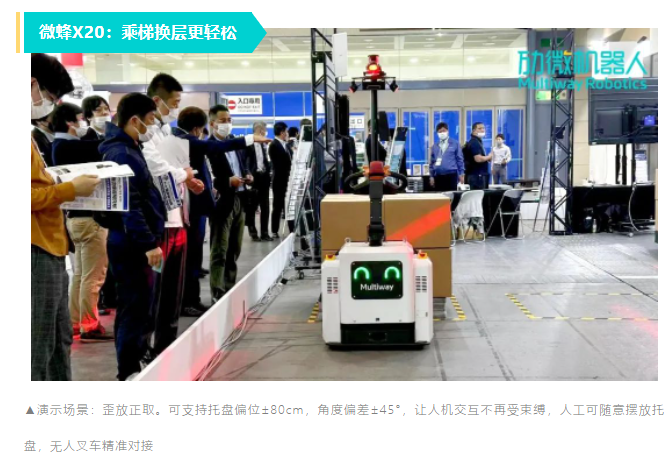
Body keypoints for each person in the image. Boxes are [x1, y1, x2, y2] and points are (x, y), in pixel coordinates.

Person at [31, 53, 101, 381]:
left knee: (58, 340)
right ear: (32, 84)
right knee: (38, 345)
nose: (51, 105)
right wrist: (69, 189)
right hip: (36, 248)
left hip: (52, 245)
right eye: (50, 96)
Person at [98, 93, 166, 381]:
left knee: (141, 306)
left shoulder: (130, 148)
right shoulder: (121, 154)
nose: (153, 126)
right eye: (150, 120)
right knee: (134, 307)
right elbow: (129, 205)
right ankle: (127, 370)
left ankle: (136, 359)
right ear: (135, 120)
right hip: (131, 243)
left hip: (136, 239)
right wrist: (148, 244)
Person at [51, 103, 113, 341]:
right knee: (93, 276)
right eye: (81, 118)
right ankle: (89, 324)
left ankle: (76, 321)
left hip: (75, 220)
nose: (84, 122)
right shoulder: (67, 146)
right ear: (70, 122)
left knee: (80, 275)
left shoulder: (60, 145)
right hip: (89, 220)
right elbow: (98, 146)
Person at [207, 106, 254, 302]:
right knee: (220, 249)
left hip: (240, 199)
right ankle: (217, 292)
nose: (227, 123)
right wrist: (227, 181)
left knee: (234, 248)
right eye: (222, 120)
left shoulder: (235, 143)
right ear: (212, 124)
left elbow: (243, 165)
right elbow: (207, 179)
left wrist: (247, 175)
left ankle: (229, 287)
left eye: (229, 119)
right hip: (222, 202)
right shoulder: (208, 147)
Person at [82, 96, 116, 314]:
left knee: (109, 257)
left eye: (106, 109)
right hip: (94, 205)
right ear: (88, 116)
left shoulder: (112, 137)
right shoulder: (85, 140)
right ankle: (99, 301)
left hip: (112, 203)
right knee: (95, 264)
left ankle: (110, 295)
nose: (104, 114)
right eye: (98, 111)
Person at [245, 121, 272, 242]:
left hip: (264, 177)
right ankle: (252, 231)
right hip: (253, 178)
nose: (265, 132)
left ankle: (265, 232)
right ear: (259, 129)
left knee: (265, 206)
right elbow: (245, 160)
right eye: (264, 129)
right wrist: (247, 174)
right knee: (252, 205)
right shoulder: (248, 143)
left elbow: (264, 160)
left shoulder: (263, 144)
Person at [270, 122, 292, 239]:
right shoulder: (274, 145)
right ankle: (274, 230)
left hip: (287, 179)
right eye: (286, 131)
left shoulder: (285, 145)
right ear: (282, 132)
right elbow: (278, 164)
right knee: (277, 205)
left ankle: (292, 229)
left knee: (288, 205)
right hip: (279, 180)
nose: (287, 133)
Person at [429, 122, 465, 192]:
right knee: (440, 196)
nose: (442, 133)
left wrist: (461, 174)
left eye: (443, 131)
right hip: (438, 176)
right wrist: (431, 176)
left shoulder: (455, 144)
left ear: (447, 131)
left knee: (451, 196)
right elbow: (432, 162)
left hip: (451, 175)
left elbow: (459, 159)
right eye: (440, 131)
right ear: (437, 133)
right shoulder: (435, 146)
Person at [464, 122, 492, 190]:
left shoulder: (478, 142)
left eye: (483, 128)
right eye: (479, 128)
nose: (482, 130)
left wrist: (486, 158)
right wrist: (489, 156)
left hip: (477, 175)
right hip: (477, 176)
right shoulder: (474, 142)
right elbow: (478, 159)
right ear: (474, 131)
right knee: (478, 195)